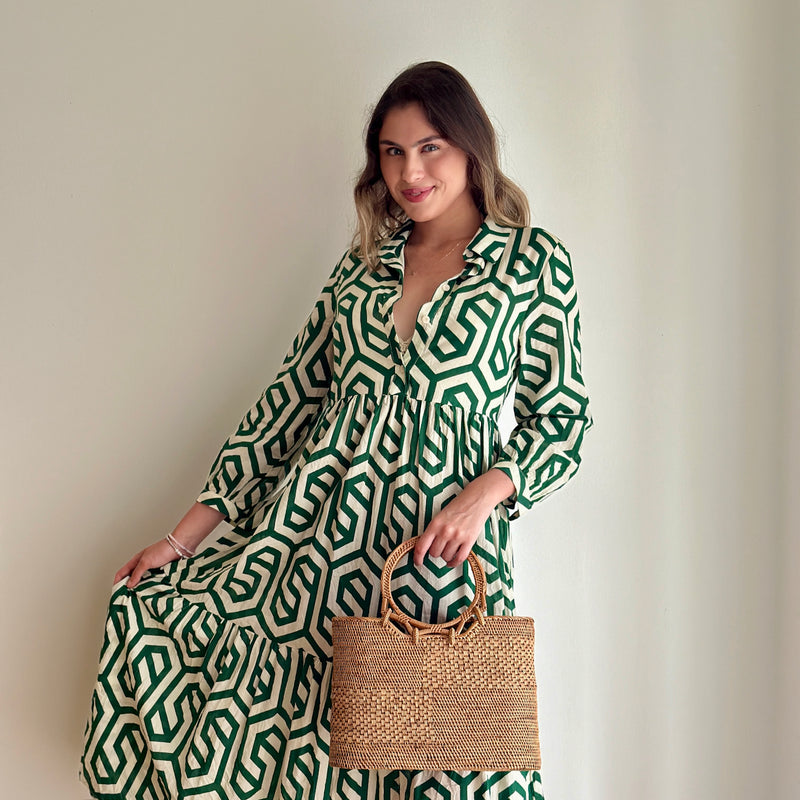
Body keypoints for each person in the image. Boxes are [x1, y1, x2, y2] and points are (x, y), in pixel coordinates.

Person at [79, 60, 593, 800]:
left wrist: (486, 493)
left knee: (447, 759)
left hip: (436, 552)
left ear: (472, 148)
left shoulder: (532, 263)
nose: (409, 171)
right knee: (302, 743)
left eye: (430, 147)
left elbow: (565, 419)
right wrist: (181, 540)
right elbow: (286, 406)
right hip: (315, 541)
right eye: (391, 150)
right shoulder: (362, 266)